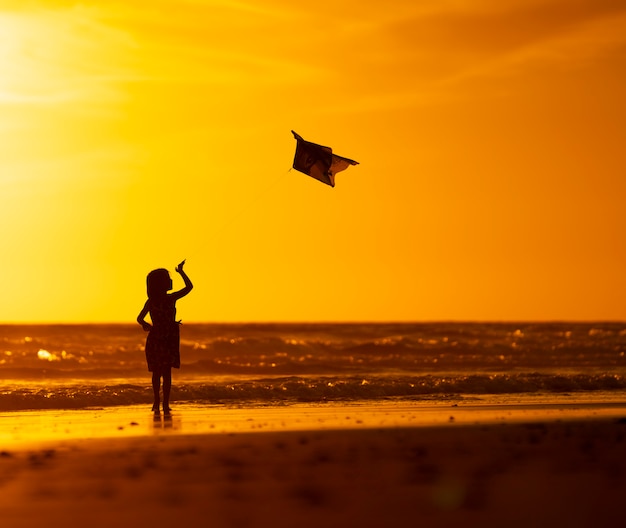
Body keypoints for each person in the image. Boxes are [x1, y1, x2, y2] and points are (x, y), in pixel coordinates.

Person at [137, 260, 193, 413]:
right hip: (165, 338)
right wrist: (181, 272)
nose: (171, 280)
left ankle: (159, 402)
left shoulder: (156, 300)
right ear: (161, 284)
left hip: (159, 338)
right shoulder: (169, 299)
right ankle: (162, 403)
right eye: (168, 279)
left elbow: (139, 318)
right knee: (164, 372)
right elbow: (189, 287)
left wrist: (146, 325)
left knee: (159, 372)